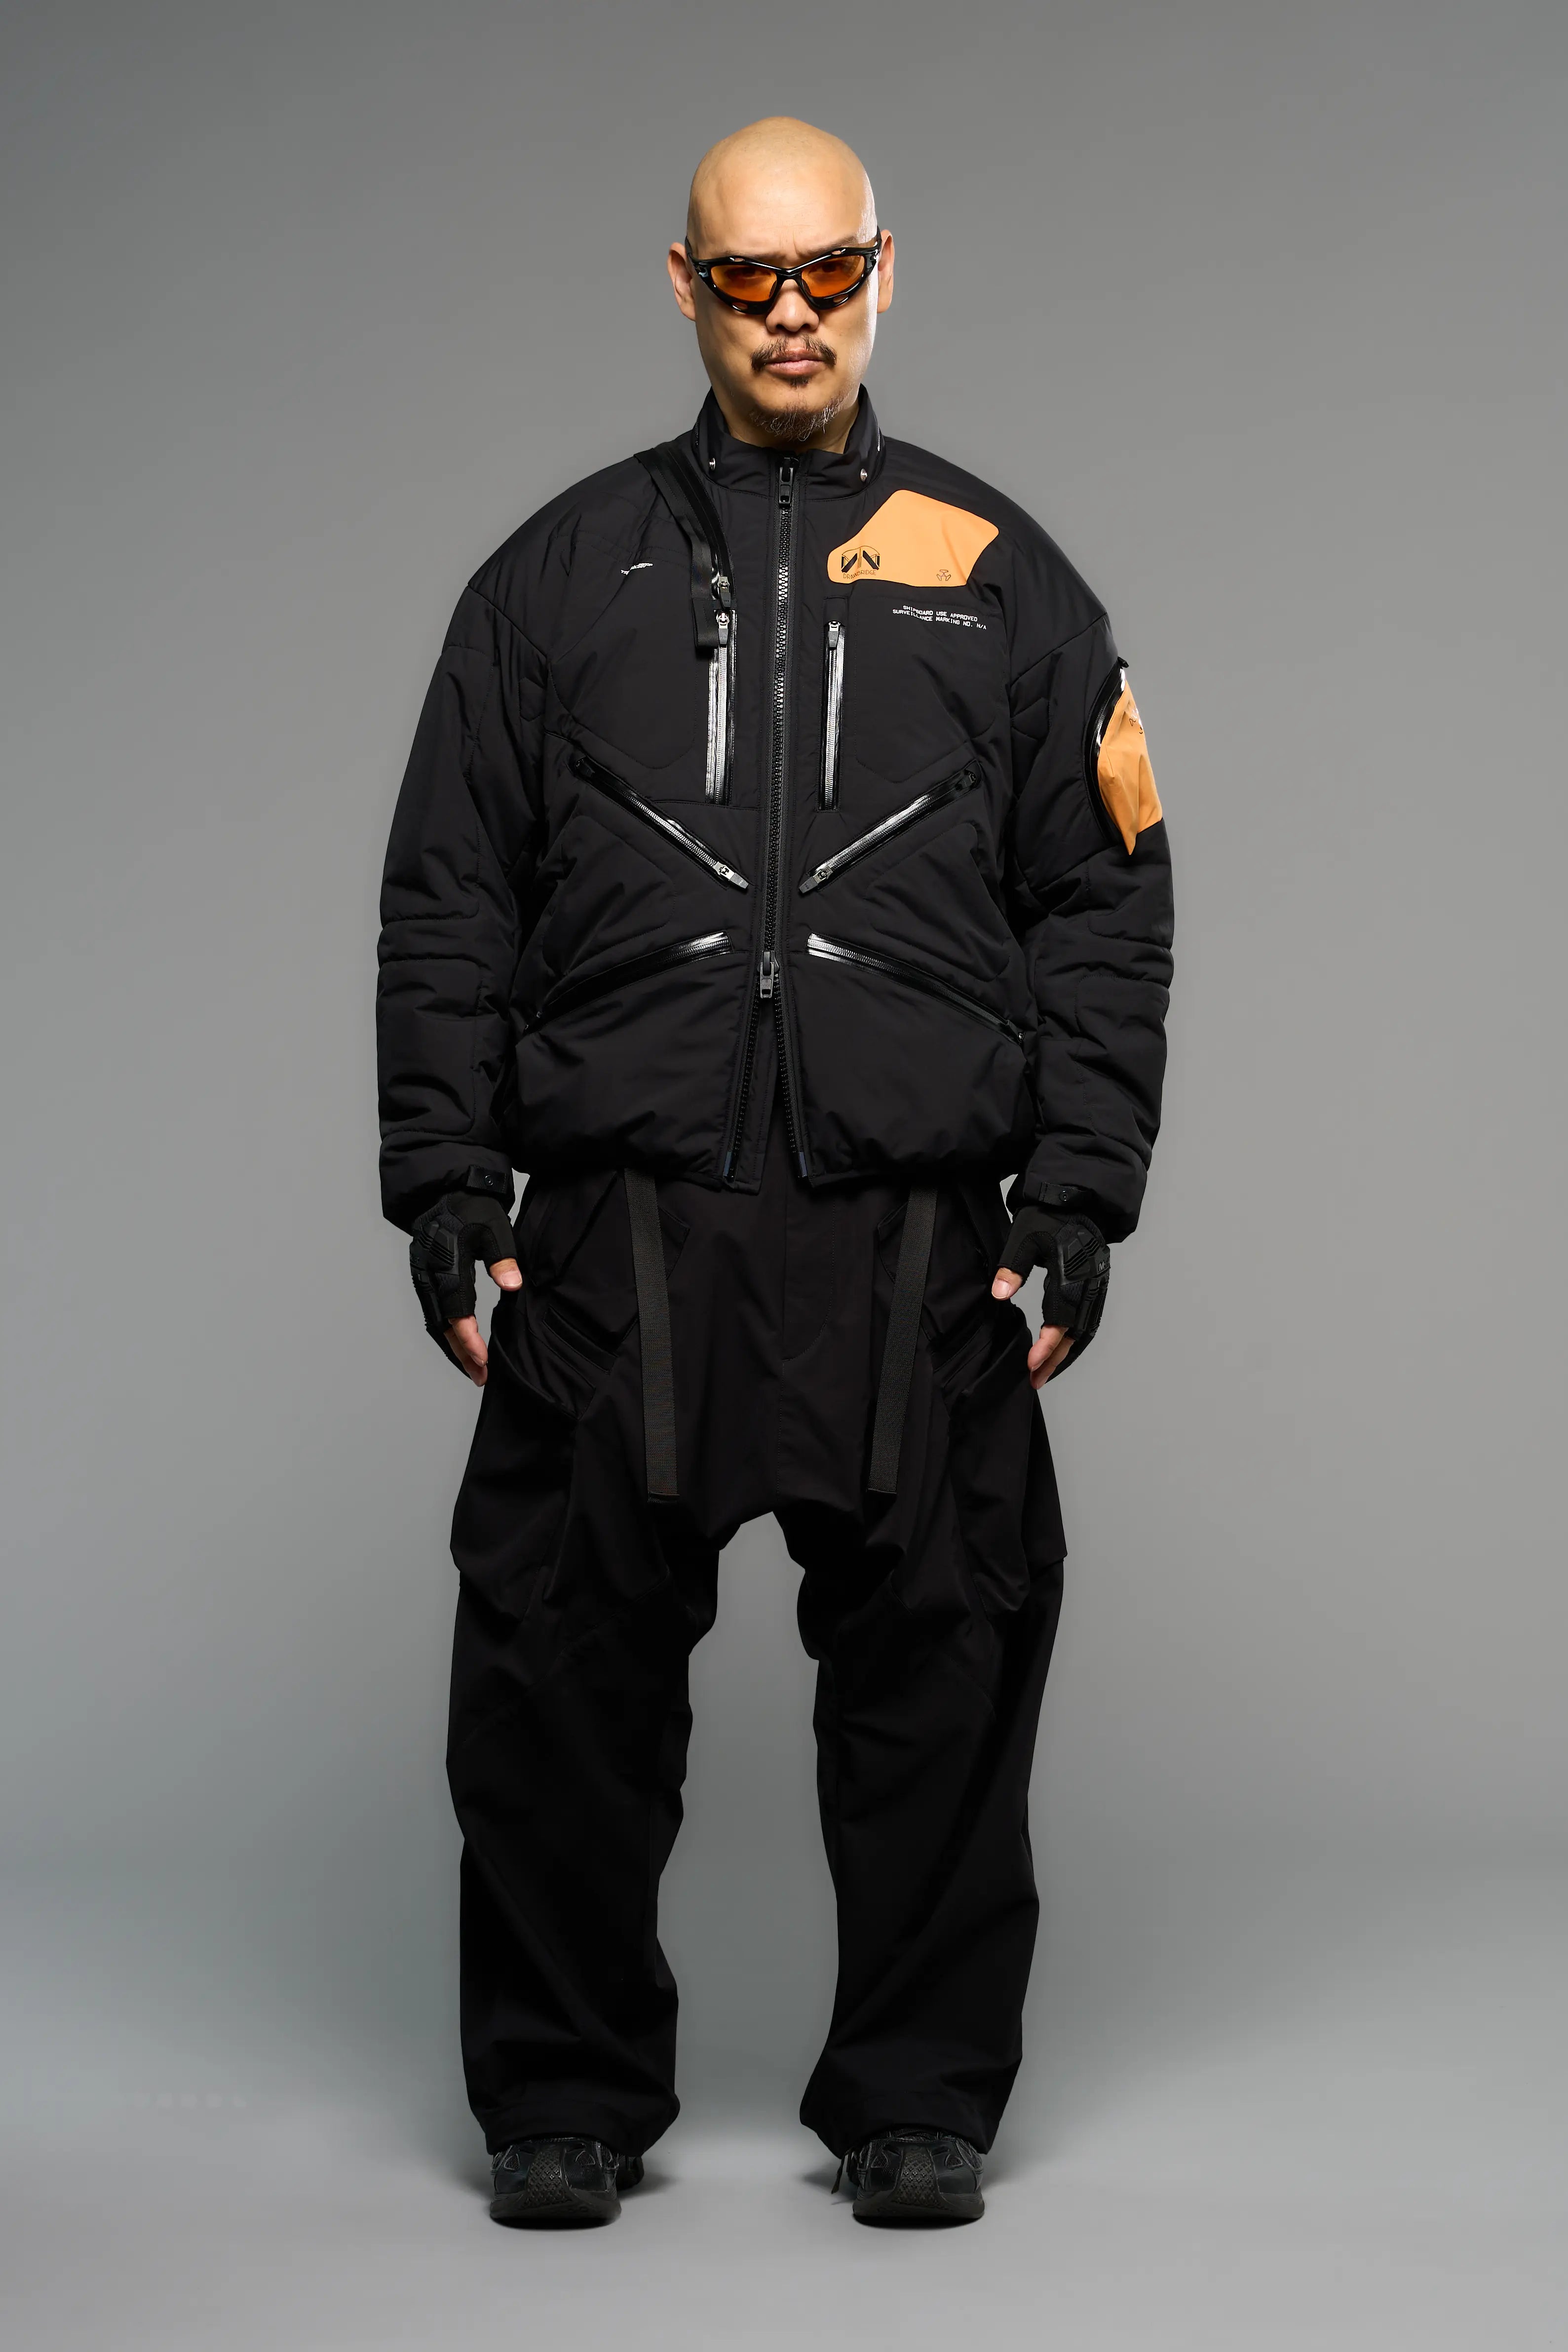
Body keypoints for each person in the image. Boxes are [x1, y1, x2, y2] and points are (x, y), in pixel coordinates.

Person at [376, 116, 1172, 2230]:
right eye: (750, 278)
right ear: (686, 286)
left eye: (828, 271)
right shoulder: (557, 579)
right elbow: (449, 898)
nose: (794, 313)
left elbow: (1106, 908)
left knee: (947, 1685)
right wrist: (444, 1185)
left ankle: (918, 2098)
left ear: (885, 270)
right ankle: (559, 2097)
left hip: (914, 1242)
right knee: (553, 1684)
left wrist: (1077, 1198)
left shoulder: (1004, 581)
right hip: (620, 1235)